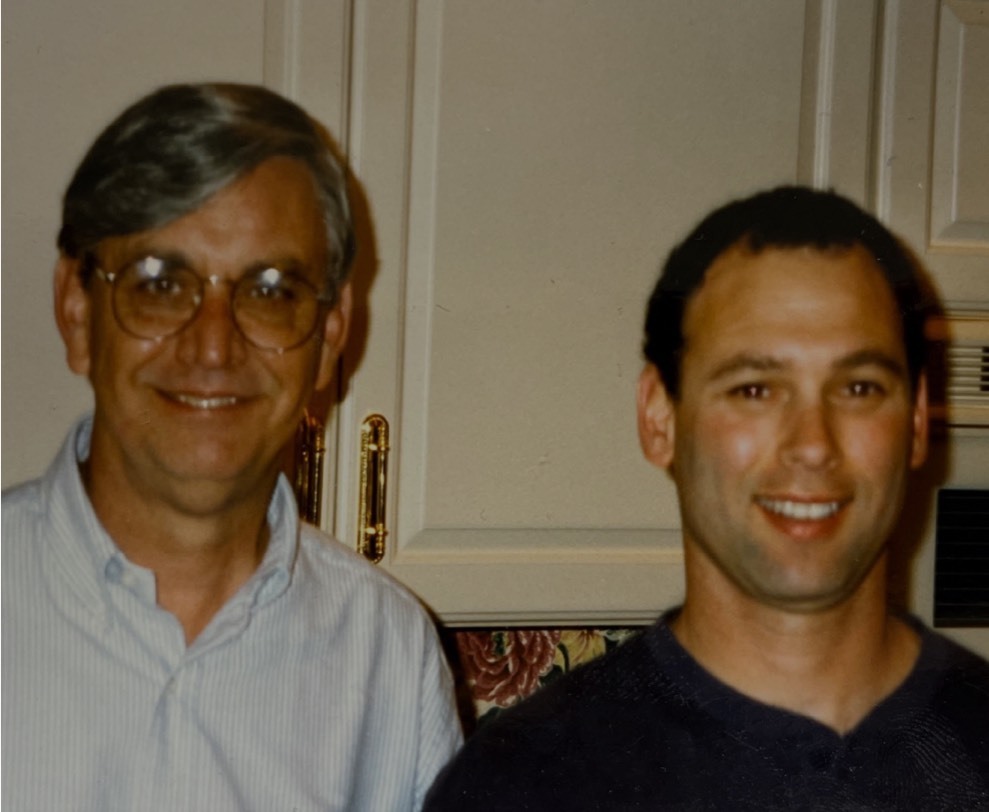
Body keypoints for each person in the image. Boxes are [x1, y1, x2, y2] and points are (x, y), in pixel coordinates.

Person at [425, 187, 989, 810]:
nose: (812, 445)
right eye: (754, 389)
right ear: (660, 418)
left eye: (858, 387)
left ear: (913, 422)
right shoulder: (522, 785)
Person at [2, 82, 462, 811]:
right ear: (77, 310)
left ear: (330, 332)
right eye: (159, 283)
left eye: (271, 290)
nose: (213, 346)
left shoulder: (389, 655)